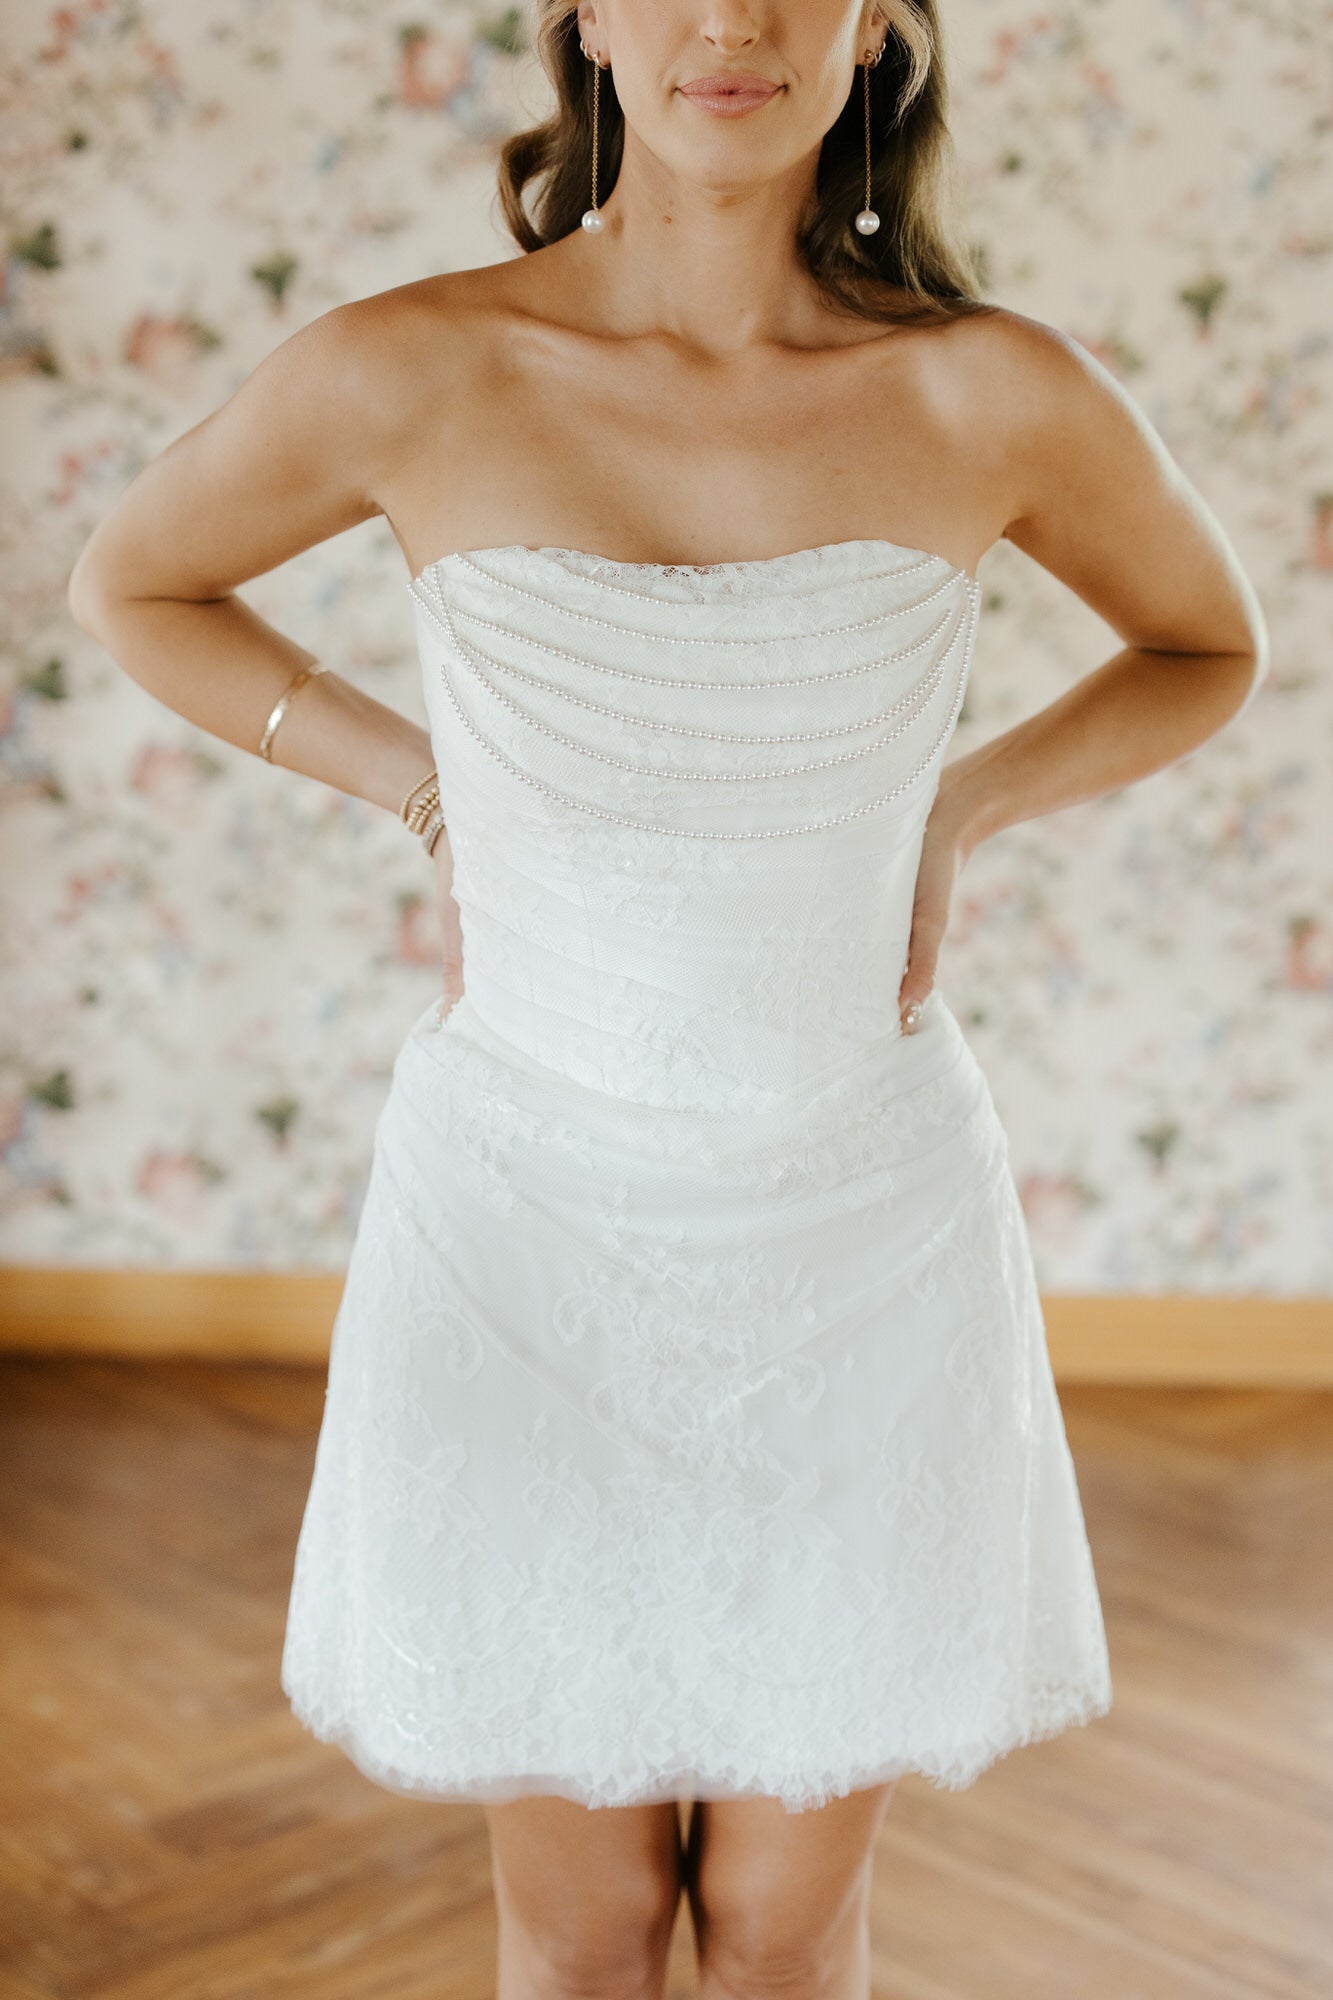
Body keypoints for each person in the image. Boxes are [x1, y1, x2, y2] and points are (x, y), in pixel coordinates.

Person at [67, 2, 1266, 1993]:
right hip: (521, 1226)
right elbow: (136, 582)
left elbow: (1199, 639)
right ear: (587, 20)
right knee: (587, 1919)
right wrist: (413, 780)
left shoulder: (988, 394)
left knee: (788, 1928)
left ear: (873, 22)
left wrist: (964, 802)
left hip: (861, 1234)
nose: (730, 20)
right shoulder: (414, 364)